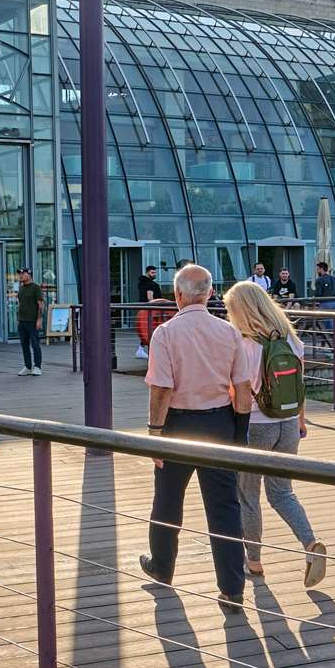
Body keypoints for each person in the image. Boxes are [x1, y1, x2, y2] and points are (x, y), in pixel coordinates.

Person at [140, 263, 254, 614]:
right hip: (220, 421)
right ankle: (232, 588)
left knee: (168, 500)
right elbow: (243, 389)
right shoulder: (229, 332)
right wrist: (239, 434)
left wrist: (155, 433)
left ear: (177, 295)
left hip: (176, 425)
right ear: (208, 294)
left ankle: (162, 566)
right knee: (224, 507)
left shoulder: (166, 334)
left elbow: (161, 389)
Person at [223, 281, 326, 586]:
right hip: (289, 422)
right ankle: (310, 544)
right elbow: (300, 385)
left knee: (248, 495)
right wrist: (301, 420)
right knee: (282, 492)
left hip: (257, 425)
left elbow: (238, 392)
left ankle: (253, 562)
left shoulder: (243, 343)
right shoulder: (292, 340)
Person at [15, 268, 44, 376]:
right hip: (22, 321)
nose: (21, 276)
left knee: (35, 344)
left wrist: (39, 319)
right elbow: (21, 305)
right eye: (19, 274)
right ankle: (27, 366)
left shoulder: (36, 288)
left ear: (29, 275)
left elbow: (40, 305)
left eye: (23, 274)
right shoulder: (21, 289)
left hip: (32, 321)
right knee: (24, 345)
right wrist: (18, 320)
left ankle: (37, 366)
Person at [313, 261, 335, 329]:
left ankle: (329, 338)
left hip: (325, 303)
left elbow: (318, 294)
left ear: (321, 269)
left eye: (318, 269)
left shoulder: (319, 280)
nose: (317, 271)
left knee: (325, 323)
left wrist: (314, 297)